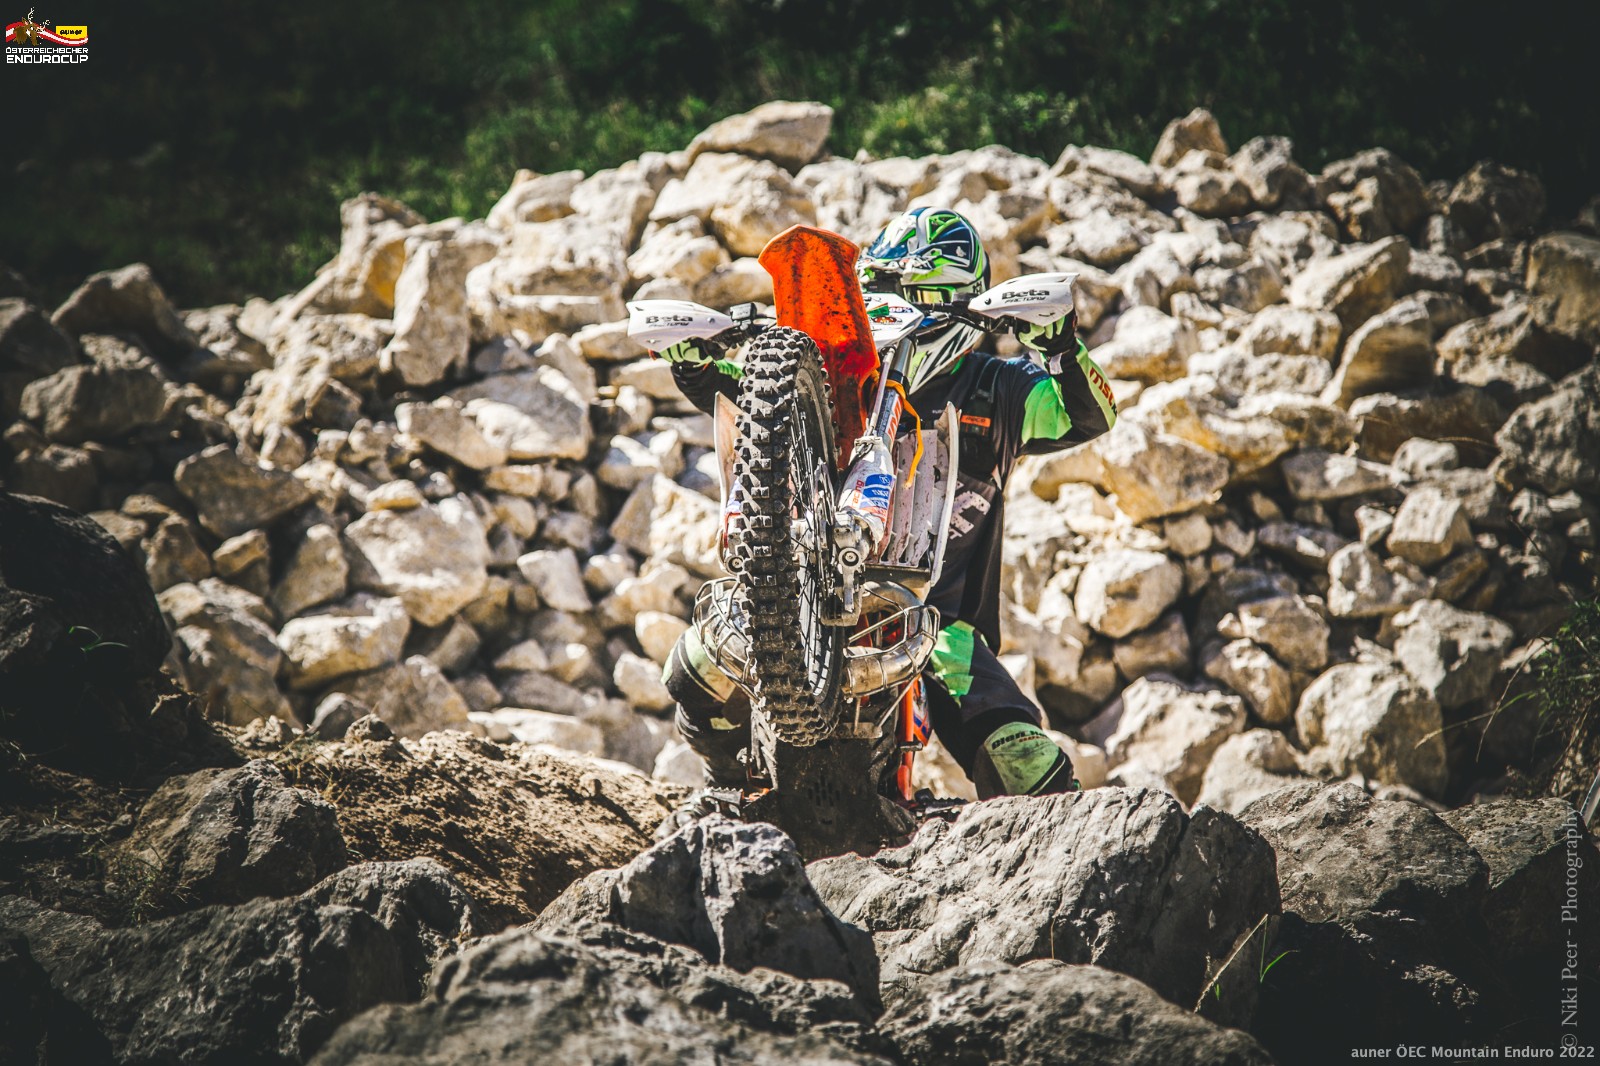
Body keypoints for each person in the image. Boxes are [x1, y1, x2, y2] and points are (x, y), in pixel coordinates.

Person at [659, 207, 1118, 799]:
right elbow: (751, 398)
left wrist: (1061, 347)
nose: (893, 307)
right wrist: (696, 365)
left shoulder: (999, 386)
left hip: (937, 615)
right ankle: (728, 784)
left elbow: (1089, 415)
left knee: (1025, 761)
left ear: (956, 300)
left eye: (914, 293)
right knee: (692, 672)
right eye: (876, 287)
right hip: (803, 588)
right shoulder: (840, 369)